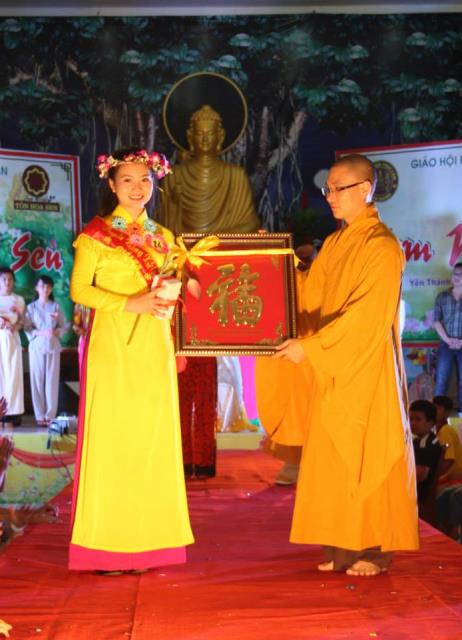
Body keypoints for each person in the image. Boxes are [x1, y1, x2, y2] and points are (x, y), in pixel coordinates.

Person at [273, 154, 418, 576]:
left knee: (367, 454)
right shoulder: (337, 243)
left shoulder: (382, 246)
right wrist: (272, 268)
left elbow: (367, 316)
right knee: (333, 457)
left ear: (366, 190)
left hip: (366, 367)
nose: (331, 197)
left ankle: (374, 548)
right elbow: (310, 296)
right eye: (328, 189)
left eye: (340, 189)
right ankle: (342, 545)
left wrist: (314, 348)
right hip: (333, 365)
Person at [69, 147, 193, 573]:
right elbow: (80, 290)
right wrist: (130, 303)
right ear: (111, 184)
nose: (137, 188)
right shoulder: (96, 234)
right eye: (127, 180)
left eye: (145, 180)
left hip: (154, 345)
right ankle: (107, 545)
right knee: (114, 439)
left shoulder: (166, 238)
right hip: (113, 344)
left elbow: (174, 286)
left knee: (150, 439)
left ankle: (148, 544)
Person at [24, 275, 65, 426]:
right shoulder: (31, 308)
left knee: (52, 381)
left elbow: (63, 326)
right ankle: (39, 416)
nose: (45, 289)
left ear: (51, 289)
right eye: (42, 286)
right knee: (37, 380)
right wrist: (40, 333)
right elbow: (27, 328)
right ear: (37, 288)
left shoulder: (56, 306)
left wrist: (55, 332)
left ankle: (50, 415)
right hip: (36, 346)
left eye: (48, 286)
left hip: (53, 345)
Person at [433, 263, 462, 410]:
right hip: (446, 344)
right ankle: (435, 416)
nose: (457, 277)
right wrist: (448, 340)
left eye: (460, 275)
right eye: (455, 274)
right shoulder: (442, 296)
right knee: (441, 380)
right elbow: (436, 321)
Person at [432, 395, 462, 538]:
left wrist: (435, 479)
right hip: (450, 477)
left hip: (451, 478)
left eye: (438, 408)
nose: (435, 411)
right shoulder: (441, 431)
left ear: (447, 412)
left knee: (434, 494)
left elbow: (449, 460)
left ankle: (449, 532)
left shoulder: (445, 431)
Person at [0, 267, 25, 429]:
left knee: (12, 376)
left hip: (12, 339)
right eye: (4, 279)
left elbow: (22, 321)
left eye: (10, 279)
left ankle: (12, 414)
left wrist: (15, 326)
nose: (7, 282)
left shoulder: (18, 299)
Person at [409, 400, 444, 507]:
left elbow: (420, 476)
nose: (412, 423)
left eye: (418, 419)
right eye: (411, 419)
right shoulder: (421, 440)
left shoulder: (427, 445)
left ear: (431, 422)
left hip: (418, 493)